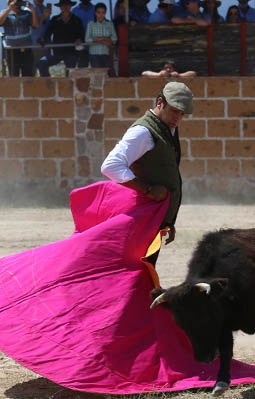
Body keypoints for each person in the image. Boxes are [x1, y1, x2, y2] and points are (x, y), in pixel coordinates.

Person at [101, 82, 194, 249]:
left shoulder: (168, 128)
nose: (178, 118)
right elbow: (111, 166)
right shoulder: (143, 132)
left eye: (182, 114)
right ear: (160, 102)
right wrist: (148, 190)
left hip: (152, 220)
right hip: (139, 220)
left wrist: (168, 221)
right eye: (174, 111)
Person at [38, 0, 85, 77]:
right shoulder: (54, 19)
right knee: (42, 63)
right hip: (57, 52)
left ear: (70, 6)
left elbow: (82, 36)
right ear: (60, 7)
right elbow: (47, 34)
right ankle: (49, 83)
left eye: (67, 5)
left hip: (71, 53)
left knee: (70, 74)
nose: (65, 7)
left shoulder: (77, 20)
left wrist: (78, 40)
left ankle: (68, 84)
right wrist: (42, 41)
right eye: (63, 5)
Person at [0, 0, 39, 77]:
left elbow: (35, 25)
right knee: (13, 75)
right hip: (11, 50)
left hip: (26, 49)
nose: (17, 4)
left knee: (28, 75)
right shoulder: (5, 13)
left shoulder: (27, 13)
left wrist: (32, 9)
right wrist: (9, 9)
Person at [85, 2, 117, 69]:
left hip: (106, 53)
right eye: (98, 12)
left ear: (105, 13)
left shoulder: (109, 24)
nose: (101, 15)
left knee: (106, 73)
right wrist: (104, 40)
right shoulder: (90, 24)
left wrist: (96, 39)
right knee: (97, 73)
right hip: (94, 54)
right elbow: (87, 39)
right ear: (95, 13)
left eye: (103, 12)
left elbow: (114, 39)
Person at [71, 0, 96, 67]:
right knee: (82, 68)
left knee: (97, 68)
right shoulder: (74, 11)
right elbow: (71, 28)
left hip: (94, 43)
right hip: (80, 44)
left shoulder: (96, 9)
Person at [31, 0, 53, 75]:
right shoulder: (30, 9)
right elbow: (34, 26)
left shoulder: (45, 8)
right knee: (32, 72)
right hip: (34, 46)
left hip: (45, 45)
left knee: (44, 72)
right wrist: (43, 17)